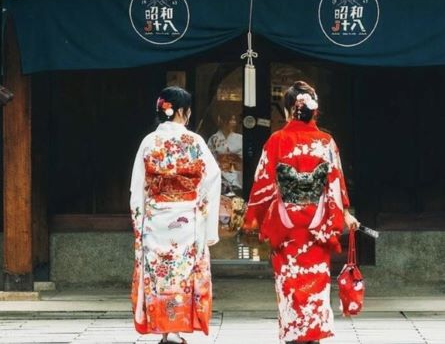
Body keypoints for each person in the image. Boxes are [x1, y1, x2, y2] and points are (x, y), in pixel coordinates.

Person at [242, 81, 359, 344]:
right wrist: (345, 214)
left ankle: (295, 335)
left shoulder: (276, 141)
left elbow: (262, 184)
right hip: (318, 225)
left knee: (290, 284)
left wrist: (257, 218)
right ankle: (314, 337)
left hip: (286, 227)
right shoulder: (326, 142)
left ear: (287, 112)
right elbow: (335, 184)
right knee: (315, 283)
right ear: (314, 111)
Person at [130, 86, 221, 344]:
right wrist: (207, 225)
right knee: (183, 275)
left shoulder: (149, 142)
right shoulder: (194, 142)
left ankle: (163, 328)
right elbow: (211, 180)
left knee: (159, 275)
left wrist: (140, 223)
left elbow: (138, 187)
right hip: (187, 221)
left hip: (156, 220)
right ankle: (176, 330)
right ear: (182, 111)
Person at [207, 111, 243, 194]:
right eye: (231, 120)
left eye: (234, 120)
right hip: (221, 174)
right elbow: (210, 158)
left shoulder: (240, 138)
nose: (234, 122)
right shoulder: (214, 138)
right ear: (223, 121)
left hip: (237, 174)